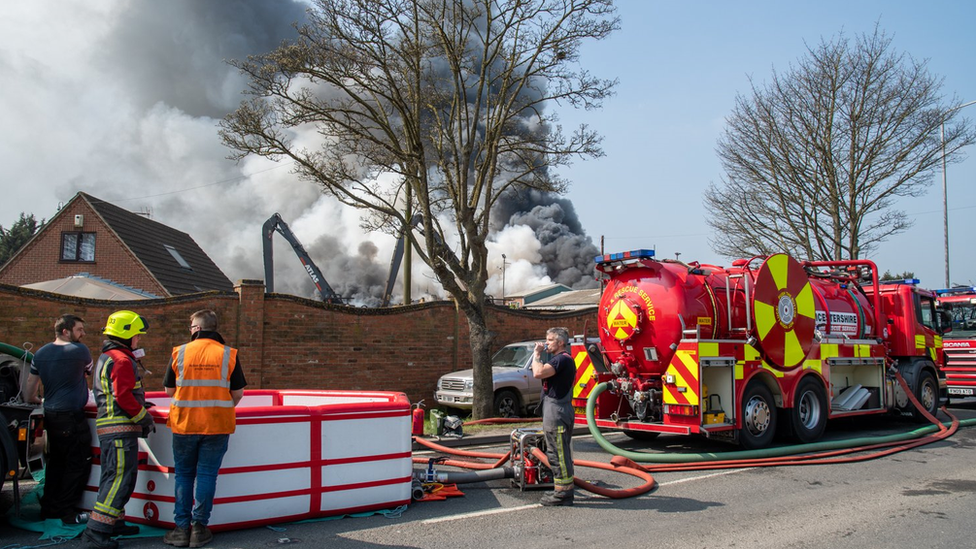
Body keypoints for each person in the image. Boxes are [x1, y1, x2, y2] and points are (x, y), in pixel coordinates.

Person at [162, 310, 247, 548]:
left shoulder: (179, 352)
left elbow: (169, 391)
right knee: (207, 475)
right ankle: (199, 528)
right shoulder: (228, 354)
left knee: (184, 475)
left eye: (191, 327)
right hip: (217, 424)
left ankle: (180, 529)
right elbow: (237, 393)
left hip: (184, 424)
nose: (190, 330)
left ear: (197, 329)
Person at [82, 311, 154, 549]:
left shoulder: (107, 356)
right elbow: (122, 395)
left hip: (110, 427)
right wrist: (144, 416)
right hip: (120, 428)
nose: (138, 340)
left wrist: (140, 403)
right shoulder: (122, 360)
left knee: (113, 476)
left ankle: (115, 523)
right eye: (137, 335)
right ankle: (96, 533)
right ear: (127, 335)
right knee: (120, 479)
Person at [25, 314, 94, 525]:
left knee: (55, 463)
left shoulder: (41, 353)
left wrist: (39, 399)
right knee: (77, 463)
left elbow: (29, 389)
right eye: (79, 329)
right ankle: (66, 511)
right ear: (66, 331)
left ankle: (49, 508)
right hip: (72, 416)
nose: (83, 334)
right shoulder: (80, 351)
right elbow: (89, 372)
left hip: (51, 414)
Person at [531, 327, 576, 506]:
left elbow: (538, 372)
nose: (546, 343)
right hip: (556, 409)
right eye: (547, 339)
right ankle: (564, 488)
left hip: (557, 412)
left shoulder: (561, 360)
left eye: (550, 340)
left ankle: (562, 494)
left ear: (561, 343)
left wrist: (536, 354)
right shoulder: (561, 360)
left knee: (557, 453)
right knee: (559, 452)